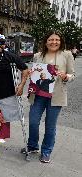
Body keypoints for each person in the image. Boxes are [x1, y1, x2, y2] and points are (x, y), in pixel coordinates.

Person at [22, 31, 75, 163]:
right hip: (38, 95)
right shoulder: (38, 56)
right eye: (51, 40)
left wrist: (65, 76)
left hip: (56, 96)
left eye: (57, 40)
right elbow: (35, 72)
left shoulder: (67, 55)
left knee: (50, 126)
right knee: (33, 122)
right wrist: (31, 73)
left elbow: (72, 74)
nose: (54, 42)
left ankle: (46, 151)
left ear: (60, 41)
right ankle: (33, 146)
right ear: (46, 42)